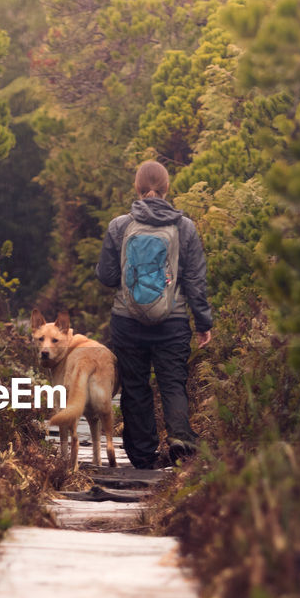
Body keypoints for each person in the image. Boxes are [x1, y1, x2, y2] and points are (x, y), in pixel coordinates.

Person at [96, 160, 212, 469]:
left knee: (135, 385)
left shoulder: (119, 226)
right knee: (173, 383)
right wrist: (203, 322)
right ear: (167, 187)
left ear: (137, 187)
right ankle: (180, 442)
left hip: (127, 321)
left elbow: (107, 276)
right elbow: (195, 280)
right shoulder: (184, 227)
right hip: (172, 322)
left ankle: (144, 456)